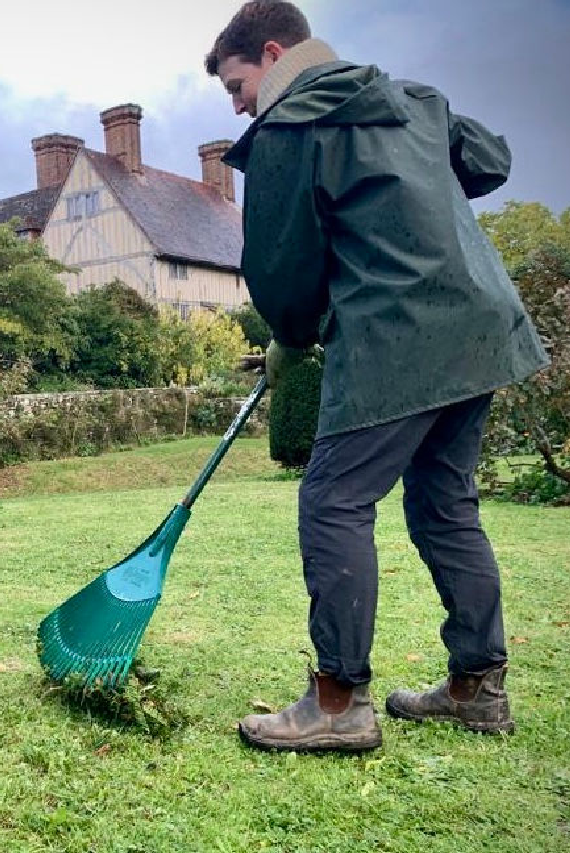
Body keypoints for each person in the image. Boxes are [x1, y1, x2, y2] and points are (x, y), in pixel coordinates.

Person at [205, 1, 549, 753]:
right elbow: (489, 159)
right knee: (443, 504)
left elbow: (281, 270)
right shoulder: (411, 98)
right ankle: (475, 688)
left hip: (400, 334)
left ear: (273, 53)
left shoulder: (292, 128)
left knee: (334, 499)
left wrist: (291, 336)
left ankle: (337, 701)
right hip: (477, 326)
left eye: (236, 84)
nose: (236, 103)